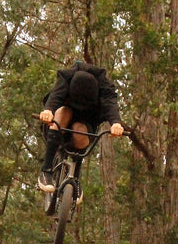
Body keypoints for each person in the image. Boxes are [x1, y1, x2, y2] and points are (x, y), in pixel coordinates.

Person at [37, 61, 124, 193]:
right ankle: (46, 170)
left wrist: (116, 123)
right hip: (60, 122)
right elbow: (56, 95)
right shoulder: (67, 78)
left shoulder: (104, 87)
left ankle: (75, 176)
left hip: (86, 121)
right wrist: (48, 110)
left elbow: (110, 103)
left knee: (81, 131)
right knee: (64, 112)